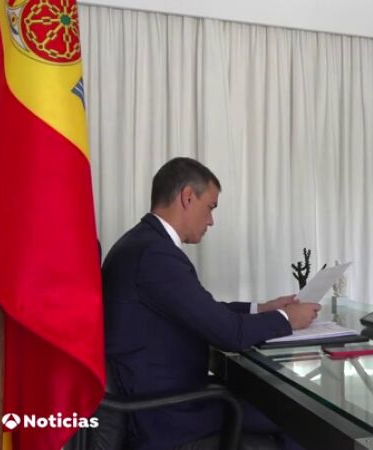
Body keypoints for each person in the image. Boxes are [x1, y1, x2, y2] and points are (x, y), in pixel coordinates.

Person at [102, 157, 320, 450]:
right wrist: (287, 319)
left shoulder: (140, 243)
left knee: (282, 404)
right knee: (300, 416)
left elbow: (202, 311)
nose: (211, 221)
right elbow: (230, 334)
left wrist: (262, 308)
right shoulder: (156, 255)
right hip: (166, 415)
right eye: (211, 207)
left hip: (161, 399)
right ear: (187, 197)